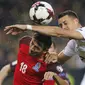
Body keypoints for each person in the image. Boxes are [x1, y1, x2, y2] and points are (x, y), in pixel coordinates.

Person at [1, 32, 70, 85]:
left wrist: (54, 76)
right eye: (32, 43)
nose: (32, 48)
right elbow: (6, 68)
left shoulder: (50, 64)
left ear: (45, 50)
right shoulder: (24, 42)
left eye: (37, 48)